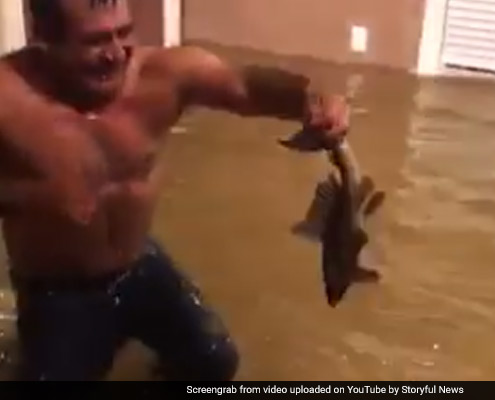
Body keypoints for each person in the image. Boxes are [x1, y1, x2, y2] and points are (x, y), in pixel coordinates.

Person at [0, 0, 349, 381]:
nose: (116, 53)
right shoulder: (9, 105)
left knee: (215, 364)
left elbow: (245, 85)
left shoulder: (163, 75)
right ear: (42, 40)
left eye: (124, 32)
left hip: (141, 266)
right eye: (95, 41)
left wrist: (313, 100)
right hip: (60, 296)